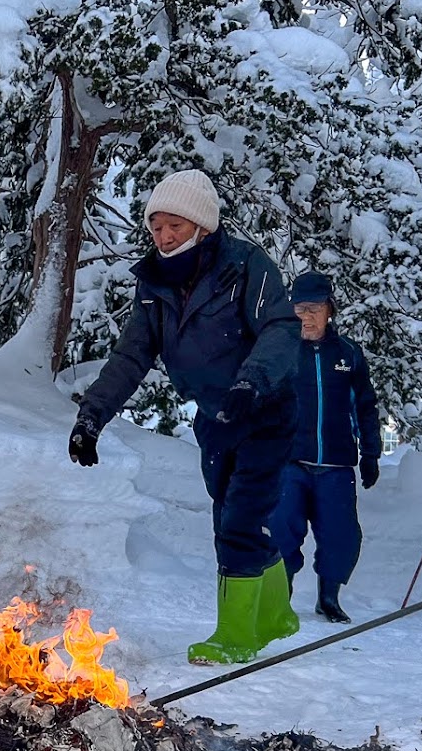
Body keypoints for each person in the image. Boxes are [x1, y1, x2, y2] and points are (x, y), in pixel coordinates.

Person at [68, 169, 302, 664]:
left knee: (239, 519)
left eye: (174, 225)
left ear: (201, 225)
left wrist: (251, 383)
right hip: (216, 417)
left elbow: (280, 329)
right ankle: (278, 615)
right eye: (156, 227)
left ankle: (235, 637)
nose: (165, 236)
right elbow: (133, 354)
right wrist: (93, 417)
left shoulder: (246, 266)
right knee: (233, 514)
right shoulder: (155, 283)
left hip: (265, 409)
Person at [267, 272, 382, 623]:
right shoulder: (279, 351)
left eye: (315, 307)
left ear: (329, 309)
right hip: (289, 460)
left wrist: (371, 453)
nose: (307, 315)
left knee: (341, 534)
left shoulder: (348, 354)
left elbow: (365, 405)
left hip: (336, 462)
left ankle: (328, 596)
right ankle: (279, 595)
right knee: (283, 527)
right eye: (300, 307)